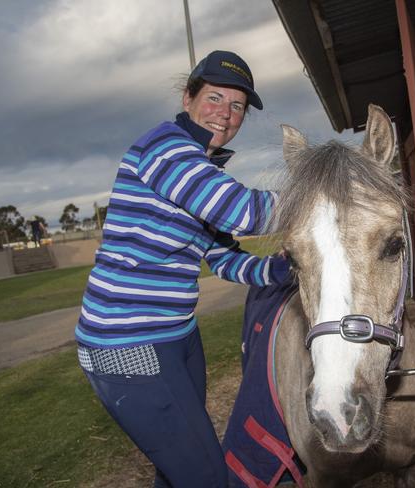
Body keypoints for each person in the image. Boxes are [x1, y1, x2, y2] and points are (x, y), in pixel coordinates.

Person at [75, 51, 289, 488]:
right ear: (188, 96)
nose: (225, 115)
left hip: (177, 336)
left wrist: (285, 271)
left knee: (179, 470)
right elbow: (241, 211)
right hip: (128, 343)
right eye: (215, 97)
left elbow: (224, 257)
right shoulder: (166, 146)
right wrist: (328, 194)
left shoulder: (201, 167)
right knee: (207, 476)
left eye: (237, 107)